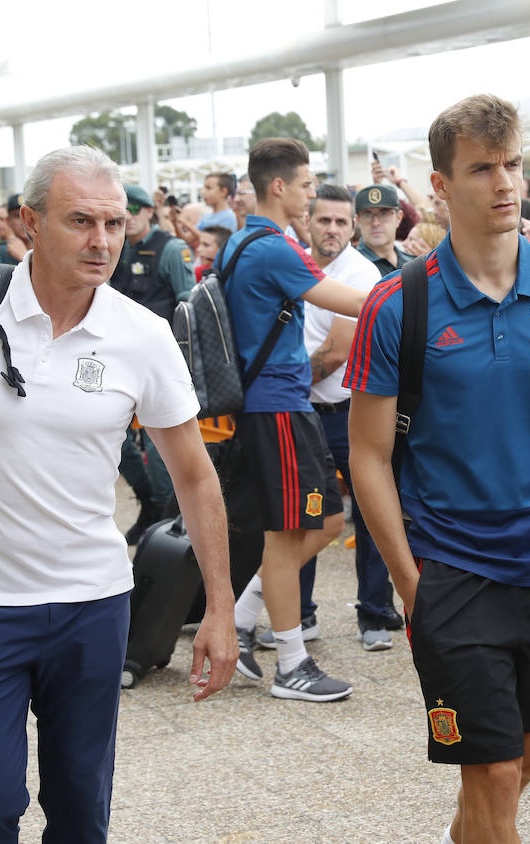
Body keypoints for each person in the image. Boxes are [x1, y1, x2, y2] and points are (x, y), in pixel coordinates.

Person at [0, 145, 237, 842]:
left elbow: (194, 475)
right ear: (27, 223)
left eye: (114, 223)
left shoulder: (142, 335)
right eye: (80, 222)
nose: (102, 241)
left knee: (79, 809)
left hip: (91, 606)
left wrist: (219, 607)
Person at [346, 94, 530, 844]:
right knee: (494, 772)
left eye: (513, 165)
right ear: (440, 184)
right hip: (456, 572)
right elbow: (367, 456)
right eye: (481, 168)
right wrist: (411, 585)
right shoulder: (399, 304)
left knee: (526, 760)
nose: (505, 184)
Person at [222, 137, 368, 702]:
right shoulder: (273, 247)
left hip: (283, 405)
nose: (312, 195)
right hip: (277, 406)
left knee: (326, 523)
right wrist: (425, 285)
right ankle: (291, 664)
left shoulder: (245, 240)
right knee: (289, 538)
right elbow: (350, 302)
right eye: (308, 185)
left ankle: (243, 615)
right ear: (278, 186)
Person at [296, 184, 398, 650]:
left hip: (347, 414)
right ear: (308, 222)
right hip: (302, 412)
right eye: (324, 220)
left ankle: (374, 615)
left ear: (352, 227)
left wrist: (278, 382)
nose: (333, 229)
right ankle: (299, 614)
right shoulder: (293, 260)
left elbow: (337, 352)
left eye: (341, 222)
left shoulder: (360, 272)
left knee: (372, 513)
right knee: (306, 516)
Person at [109, 183, 196, 542]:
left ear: (149, 211)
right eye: (122, 211)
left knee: (162, 444)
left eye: (135, 209)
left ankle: (161, 514)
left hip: (159, 360)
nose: (127, 217)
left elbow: (188, 306)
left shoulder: (171, 249)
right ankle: (147, 500)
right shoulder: (116, 247)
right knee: (118, 441)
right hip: (117, 356)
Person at [355, 184, 415, 275]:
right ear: (358, 220)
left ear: (399, 218)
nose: (375, 223)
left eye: (384, 213)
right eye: (367, 214)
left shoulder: (414, 264)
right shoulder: (351, 266)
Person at [0, 194, 29, 267]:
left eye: (28, 214)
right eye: (17, 216)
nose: (23, 221)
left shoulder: (48, 247)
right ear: (8, 221)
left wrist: (24, 257)